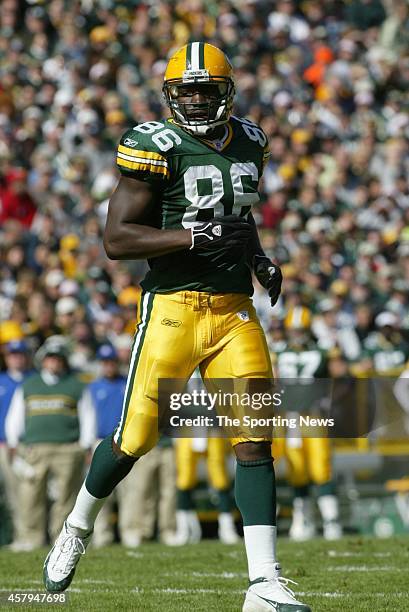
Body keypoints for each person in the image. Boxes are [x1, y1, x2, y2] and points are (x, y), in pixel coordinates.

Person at [43, 43, 310, 612]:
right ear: (170, 95)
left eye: (203, 90)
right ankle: (77, 525)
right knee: (135, 439)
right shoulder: (155, 147)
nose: (193, 99)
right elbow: (117, 240)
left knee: (255, 440)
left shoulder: (251, 141)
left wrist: (258, 257)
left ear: (226, 93)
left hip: (235, 309)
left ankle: (263, 583)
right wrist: (193, 238)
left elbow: (237, 217)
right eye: (184, 91)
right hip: (173, 308)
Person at [6, 336, 96, 550]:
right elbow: (15, 417)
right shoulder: (29, 385)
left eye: (58, 359)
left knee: (66, 497)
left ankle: (60, 540)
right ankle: (30, 538)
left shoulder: (76, 385)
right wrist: (12, 441)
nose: (54, 363)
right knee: (30, 496)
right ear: (43, 360)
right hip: (35, 448)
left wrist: (85, 445)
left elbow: (88, 416)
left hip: (67, 448)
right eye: (50, 358)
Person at [272, 307, 343, 541]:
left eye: (300, 330)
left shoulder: (322, 351)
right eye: (293, 330)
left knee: (321, 468)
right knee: (297, 470)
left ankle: (331, 521)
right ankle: (303, 519)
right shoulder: (278, 352)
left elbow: (339, 373)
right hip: (289, 417)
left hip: (312, 416)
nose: (296, 334)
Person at [89, 343, 141, 548]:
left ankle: (130, 533)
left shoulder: (127, 383)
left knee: (130, 491)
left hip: (126, 442)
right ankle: (102, 535)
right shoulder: (92, 387)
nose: (108, 366)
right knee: (101, 491)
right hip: (99, 441)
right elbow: (88, 417)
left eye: (111, 362)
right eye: (105, 362)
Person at [0, 340, 33, 543]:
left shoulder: (35, 380)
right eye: (12, 355)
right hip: (3, 445)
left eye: (20, 354)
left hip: (29, 444)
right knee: (11, 496)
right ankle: (16, 536)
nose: (16, 358)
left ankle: (27, 536)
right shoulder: (1, 381)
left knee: (28, 493)